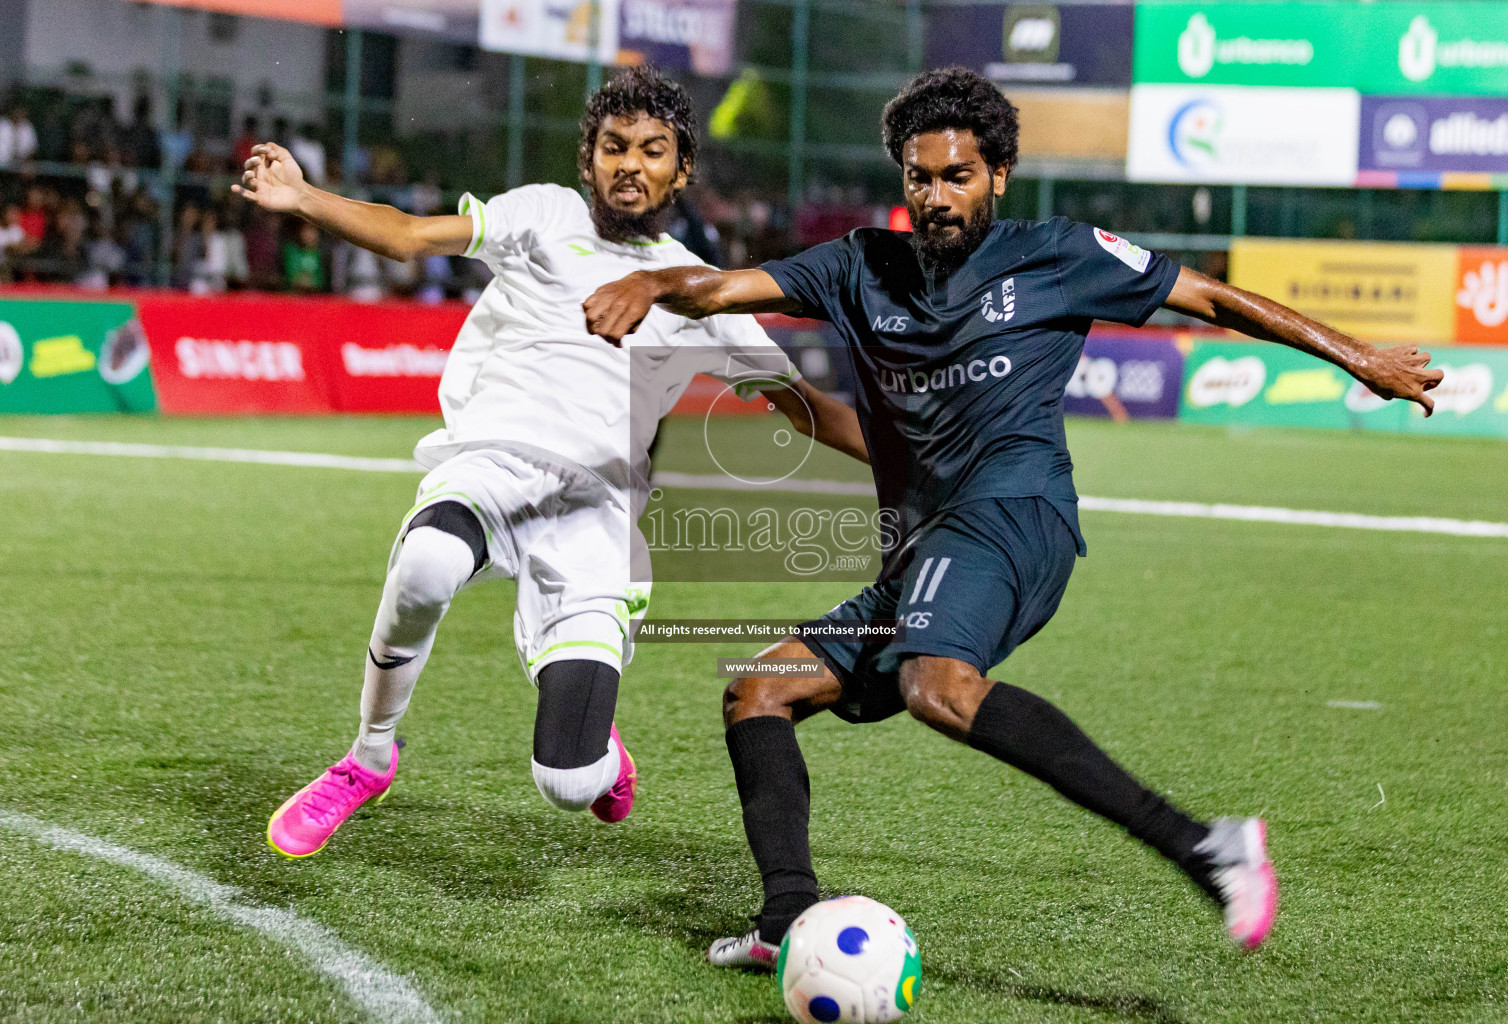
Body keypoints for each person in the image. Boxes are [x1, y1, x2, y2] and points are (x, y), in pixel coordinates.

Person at [583, 68, 1445, 964]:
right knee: (759, 691)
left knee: (937, 686)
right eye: (920, 177)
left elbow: (1217, 299)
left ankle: (1206, 845)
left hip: (1013, 515)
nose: (937, 196)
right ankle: (785, 920)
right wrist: (653, 288)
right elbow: (722, 288)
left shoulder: (1058, 254)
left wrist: (1359, 357)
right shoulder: (859, 265)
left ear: (999, 175)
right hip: (921, 551)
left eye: (958, 176)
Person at [233, 66, 870, 859]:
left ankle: (598, 756)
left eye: (651, 150)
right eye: (612, 148)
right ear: (587, 157)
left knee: (566, 782)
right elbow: (406, 235)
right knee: (427, 562)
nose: (628, 165)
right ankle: (367, 758)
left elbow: (802, 406)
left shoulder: (702, 293)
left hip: (597, 517)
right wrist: (303, 197)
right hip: (496, 466)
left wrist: (920, 464)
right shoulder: (544, 214)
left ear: (683, 169)